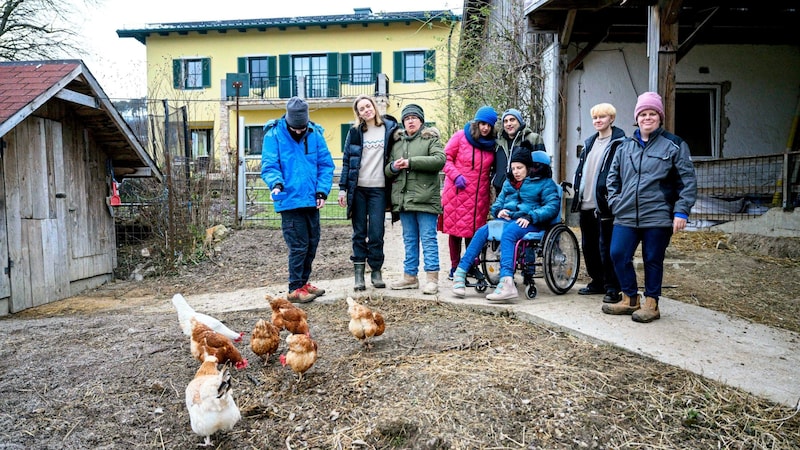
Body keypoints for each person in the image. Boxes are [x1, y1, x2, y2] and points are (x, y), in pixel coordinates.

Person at [603, 92, 697, 322]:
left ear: (660, 117)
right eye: (643, 114)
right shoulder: (624, 146)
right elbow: (611, 178)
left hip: (658, 214)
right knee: (617, 253)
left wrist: (681, 211)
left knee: (652, 258)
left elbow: (687, 181)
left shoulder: (674, 145)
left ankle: (652, 303)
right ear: (637, 118)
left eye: (652, 113)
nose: (647, 118)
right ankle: (629, 298)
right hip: (626, 213)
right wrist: (615, 202)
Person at [452, 146, 560, 302]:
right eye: (513, 168)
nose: (516, 172)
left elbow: (552, 207)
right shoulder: (509, 183)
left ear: (529, 168)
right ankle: (460, 273)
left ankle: (507, 283)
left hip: (531, 221)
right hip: (508, 219)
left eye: (520, 168)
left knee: (509, 233)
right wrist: (499, 211)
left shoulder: (544, 183)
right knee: (483, 230)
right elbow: (497, 204)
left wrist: (531, 216)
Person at [261, 97, 335, 303]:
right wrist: (276, 184)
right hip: (289, 201)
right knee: (298, 245)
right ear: (288, 121)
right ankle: (294, 288)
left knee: (312, 243)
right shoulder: (273, 134)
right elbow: (269, 165)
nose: (300, 131)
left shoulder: (315, 133)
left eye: (303, 127)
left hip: (311, 199)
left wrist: (321, 191)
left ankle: (304, 283)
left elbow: (325, 165)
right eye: (296, 128)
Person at [338, 95, 398, 291]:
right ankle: (358, 275)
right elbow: (347, 161)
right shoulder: (355, 132)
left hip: (379, 190)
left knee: (376, 233)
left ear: (374, 107)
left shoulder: (389, 129)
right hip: (359, 190)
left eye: (368, 106)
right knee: (359, 232)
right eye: (361, 109)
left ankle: (376, 271)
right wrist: (342, 188)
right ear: (358, 114)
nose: (366, 110)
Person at [385, 104, 446, 295]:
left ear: (421, 120)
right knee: (409, 240)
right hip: (404, 199)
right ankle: (410, 277)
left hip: (426, 198)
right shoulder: (397, 143)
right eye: (407, 118)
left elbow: (439, 160)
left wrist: (411, 162)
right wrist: (394, 167)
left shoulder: (431, 139)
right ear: (403, 122)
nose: (410, 121)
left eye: (414, 117)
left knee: (428, 239)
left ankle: (432, 279)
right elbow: (387, 170)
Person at [571, 103, 626, 303]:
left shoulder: (620, 143)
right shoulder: (589, 143)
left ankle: (613, 287)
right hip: (586, 203)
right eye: (595, 118)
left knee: (608, 247)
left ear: (611, 119)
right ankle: (597, 281)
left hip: (605, 204)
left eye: (602, 117)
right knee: (589, 246)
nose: (598, 121)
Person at [441, 105, 497, 280]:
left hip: (479, 195)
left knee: (474, 232)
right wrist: (456, 175)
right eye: (482, 124)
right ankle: (455, 267)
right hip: (458, 192)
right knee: (456, 232)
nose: (485, 128)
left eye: (489, 125)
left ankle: (471, 265)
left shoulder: (492, 145)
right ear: (476, 123)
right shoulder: (460, 136)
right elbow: (445, 158)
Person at [491, 108, 547, 196]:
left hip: (526, 194)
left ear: (519, 121)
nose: (508, 124)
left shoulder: (533, 139)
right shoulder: (498, 143)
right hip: (501, 193)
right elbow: (494, 167)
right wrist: (495, 180)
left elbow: (542, 167)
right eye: (505, 121)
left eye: (512, 120)